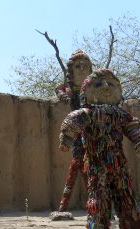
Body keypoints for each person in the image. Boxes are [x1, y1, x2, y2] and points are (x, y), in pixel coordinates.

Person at [59, 69, 140, 229]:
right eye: (98, 84)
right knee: (98, 202)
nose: (106, 87)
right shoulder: (87, 113)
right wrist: (66, 140)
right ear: (86, 92)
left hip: (119, 165)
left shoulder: (120, 114)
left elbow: (134, 129)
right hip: (96, 165)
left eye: (111, 83)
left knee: (127, 200)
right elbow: (70, 124)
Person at [53, 49, 93, 216]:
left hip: (93, 131)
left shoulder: (93, 88)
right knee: (78, 164)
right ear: (71, 69)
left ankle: (94, 203)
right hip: (76, 131)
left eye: (85, 66)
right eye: (78, 66)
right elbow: (58, 89)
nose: (82, 69)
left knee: (89, 166)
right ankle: (65, 206)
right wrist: (64, 96)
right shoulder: (69, 89)